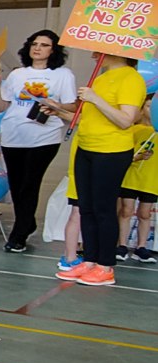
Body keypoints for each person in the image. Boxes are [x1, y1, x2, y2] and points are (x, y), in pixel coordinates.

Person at [46, 54, 145, 286]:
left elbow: (125, 120)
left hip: (110, 152)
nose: (93, 53)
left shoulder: (131, 79)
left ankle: (105, 265)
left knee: (103, 208)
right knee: (86, 208)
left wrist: (94, 98)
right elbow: (89, 120)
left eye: (100, 49)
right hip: (86, 149)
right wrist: (58, 111)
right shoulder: (101, 78)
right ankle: (89, 260)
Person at [0, 30, 79, 253]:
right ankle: (27, 222)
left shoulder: (63, 75)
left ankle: (19, 234)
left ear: (53, 50)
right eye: (34, 44)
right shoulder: (17, 75)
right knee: (16, 185)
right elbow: (3, 104)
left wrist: (56, 105)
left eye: (44, 45)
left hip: (45, 136)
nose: (37, 48)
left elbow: (72, 105)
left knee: (30, 183)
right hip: (13, 134)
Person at [118, 102, 155, 262]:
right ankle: (122, 245)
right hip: (131, 178)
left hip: (151, 180)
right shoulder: (133, 130)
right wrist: (137, 157)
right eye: (148, 107)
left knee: (145, 214)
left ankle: (141, 247)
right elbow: (124, 155)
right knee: (126, 211)